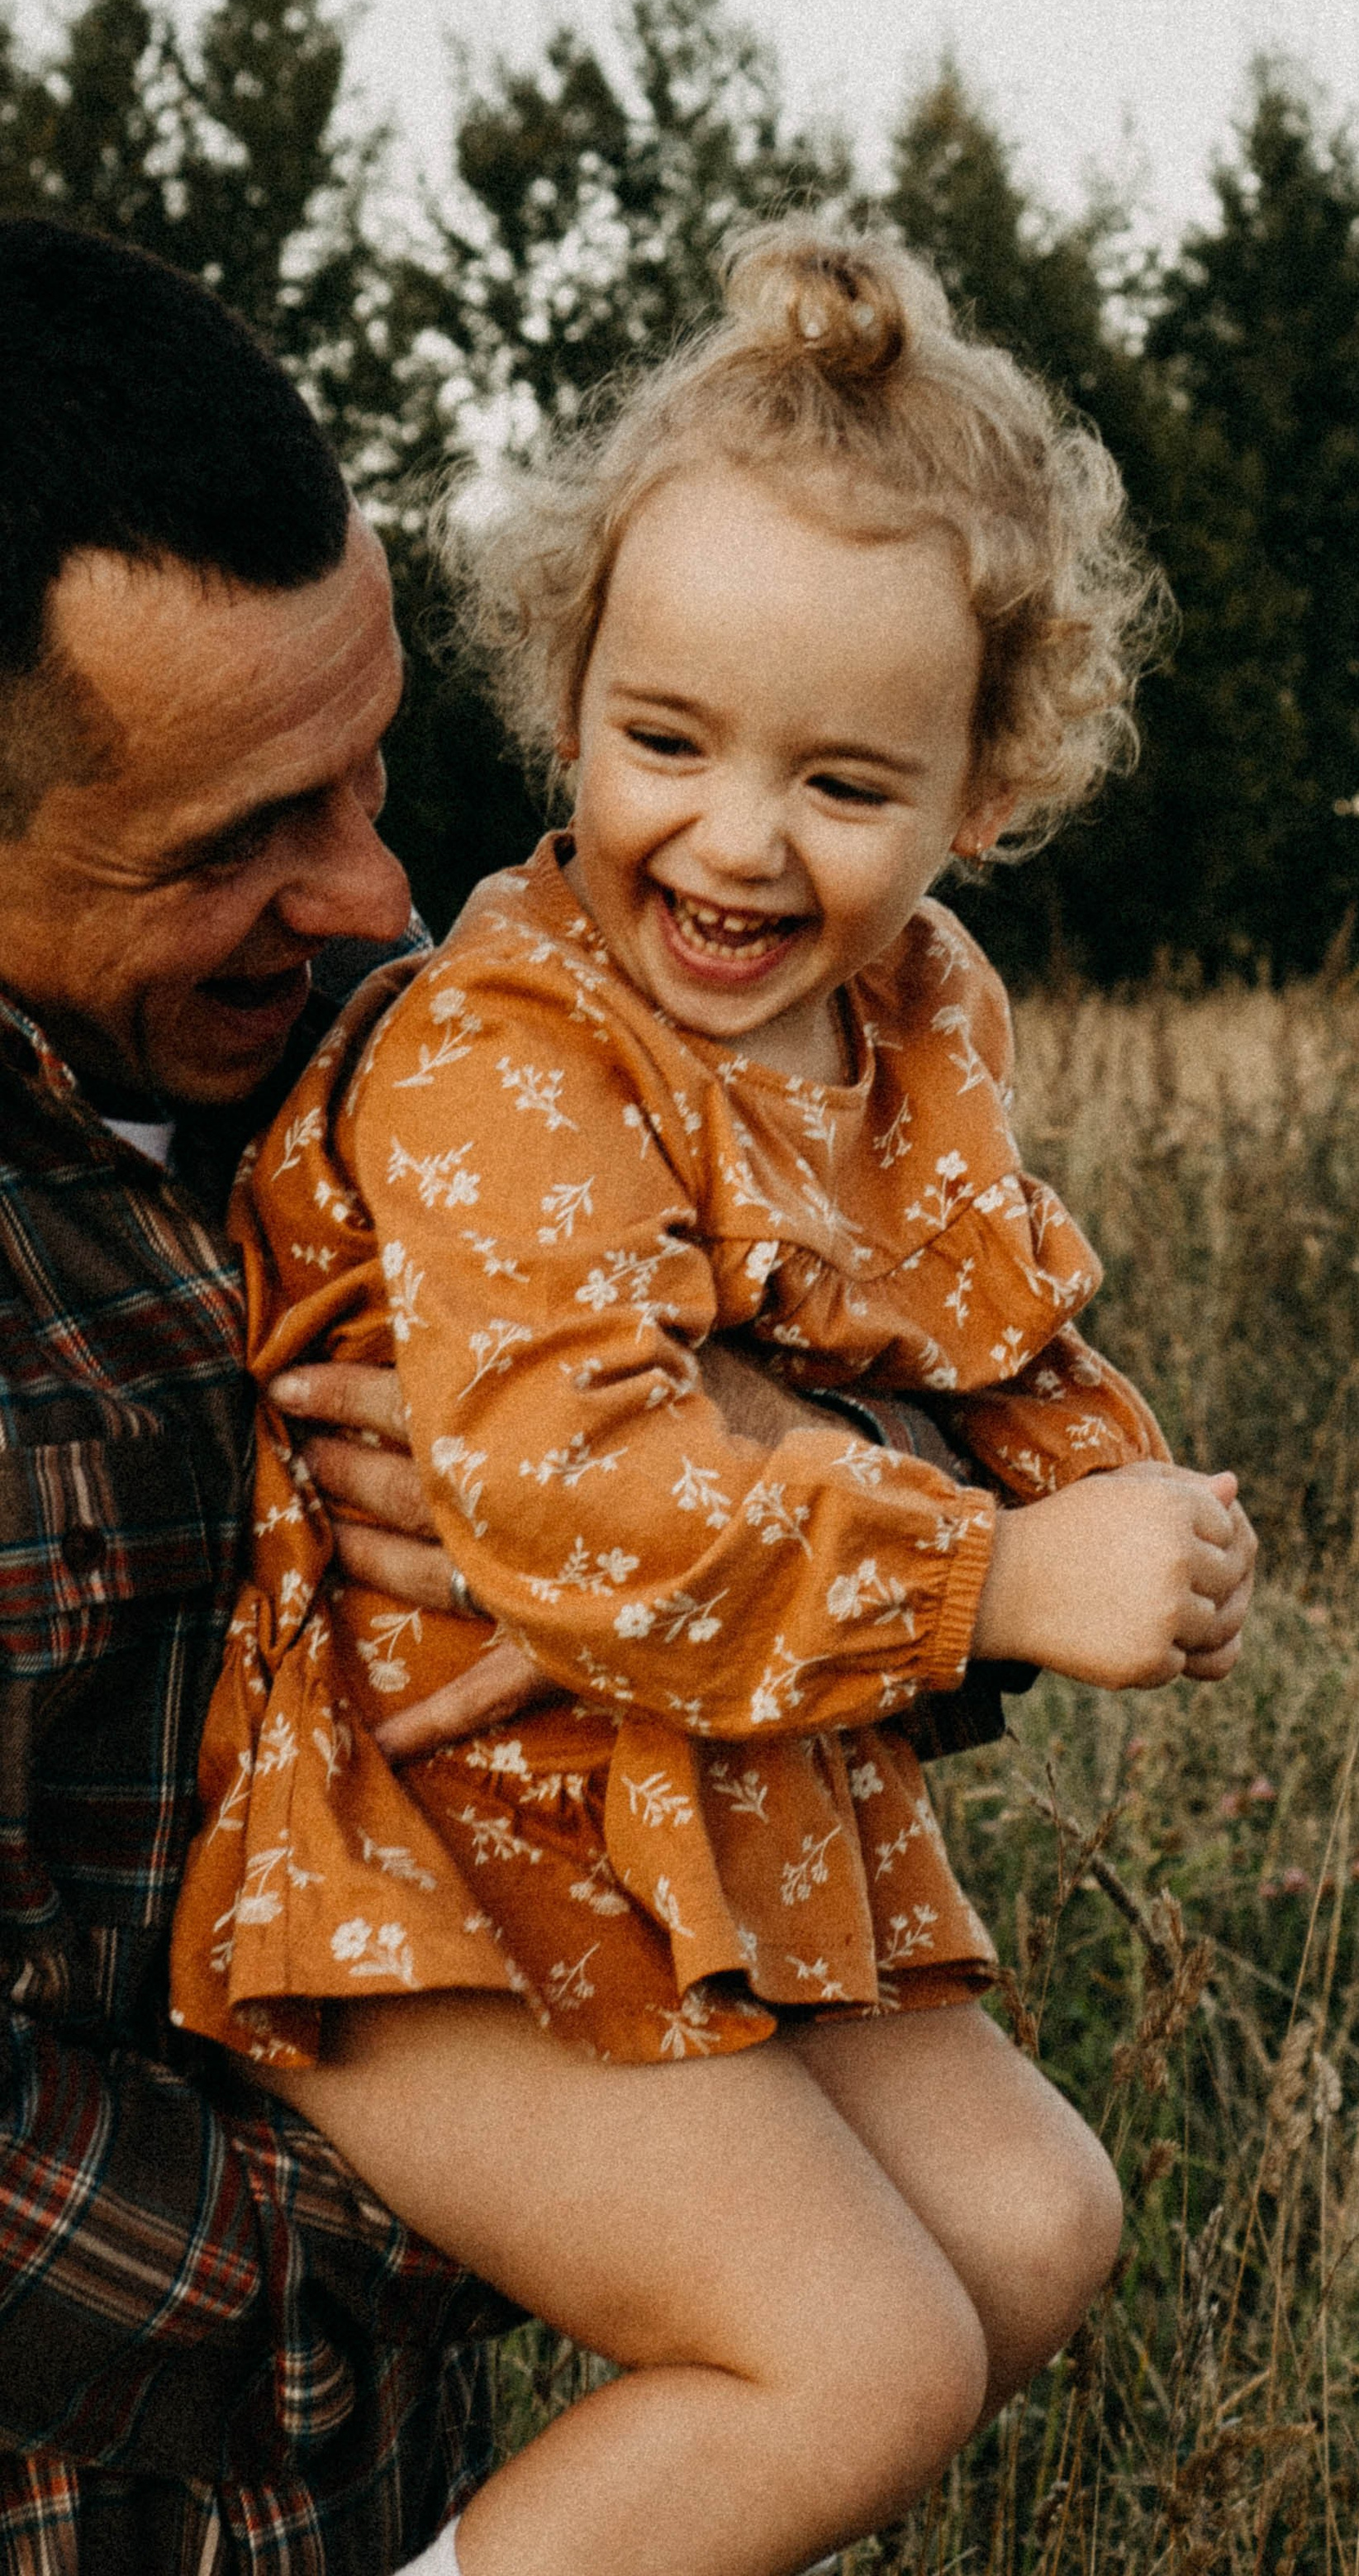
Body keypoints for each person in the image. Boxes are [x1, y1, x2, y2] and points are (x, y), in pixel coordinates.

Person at [170, 223, 1257, 2576]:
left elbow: (982, 1317)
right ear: (567, 701)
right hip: (438, 1844)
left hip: (718, 1797)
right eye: (668, 741)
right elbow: (584, 1516)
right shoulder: (501, 1052)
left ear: (988, 787)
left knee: (1034, 2229)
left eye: (847, 779)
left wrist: (1119, 1486)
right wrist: (990, 1578)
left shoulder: (917, 1017)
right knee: (851, 2353)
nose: (741, 838)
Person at [0, 216, 525, 2574]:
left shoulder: (424, 1073)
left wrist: (714, 1501)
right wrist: (444, 2229)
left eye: (371, 771)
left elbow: (902, 1399)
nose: (378, 892)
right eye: (238, 842)